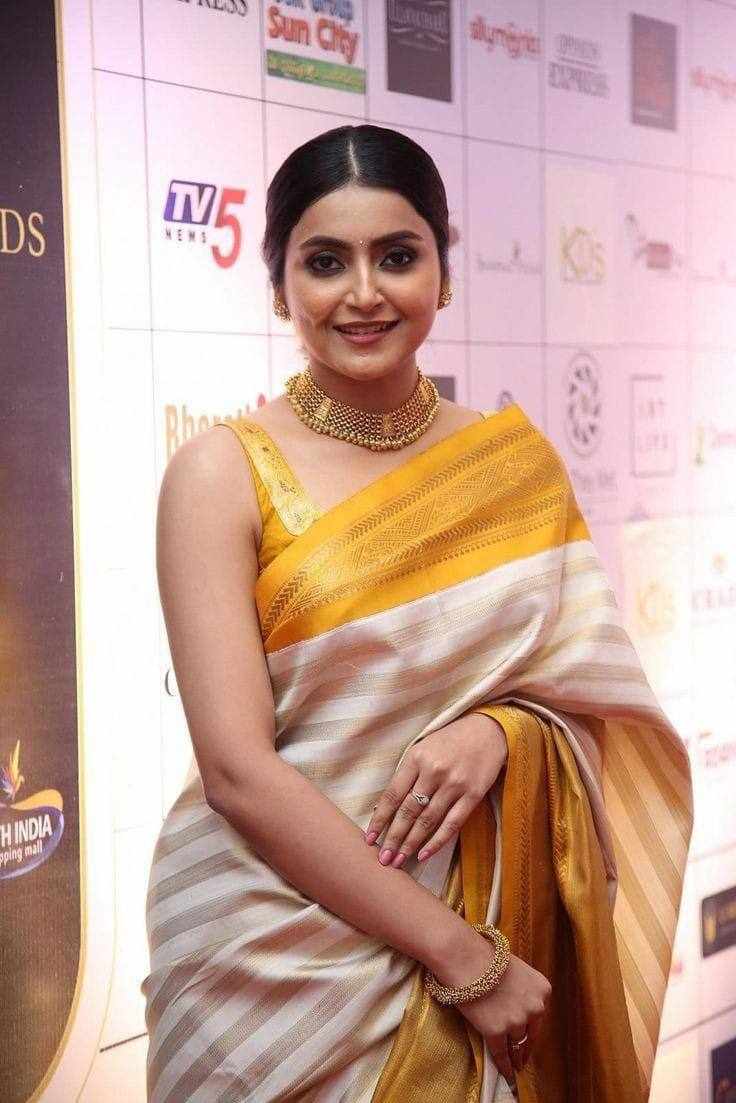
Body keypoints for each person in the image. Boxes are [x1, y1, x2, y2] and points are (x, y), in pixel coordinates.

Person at [142, 124, 693, 1102]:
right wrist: (462, 957)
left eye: (397, 256)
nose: (363, 292)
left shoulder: (511, 467)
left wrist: (503, 732)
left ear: (444, 273)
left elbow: (594, 700)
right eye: (325, 262)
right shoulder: (220, 474)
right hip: (269, 964)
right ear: (278, 287)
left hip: (487, 902)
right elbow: (236, 772)